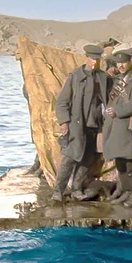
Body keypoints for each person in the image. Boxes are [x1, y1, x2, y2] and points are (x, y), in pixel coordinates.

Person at [52, 44, 110, 202]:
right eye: (92, 59)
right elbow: (62, 102)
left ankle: (77, 189)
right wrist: (64, 122)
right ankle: (58, 190)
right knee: (70, 158)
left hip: (95, 124)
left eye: (98, 59)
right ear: (86, 58)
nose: (95, 62)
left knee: (87, 159)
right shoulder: (75, 77)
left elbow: (110, 98)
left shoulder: (103, 78)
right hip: (77, 125)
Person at [102, 51, 132, 206]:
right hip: (116, 126)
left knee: (131, 163)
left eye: (123, 63)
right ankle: (126, 192)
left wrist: (119, 111)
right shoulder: (118, 79)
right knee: (120, 162)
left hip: (127, 126)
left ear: (129, 62)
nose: (121, 66)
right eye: (118, 63)